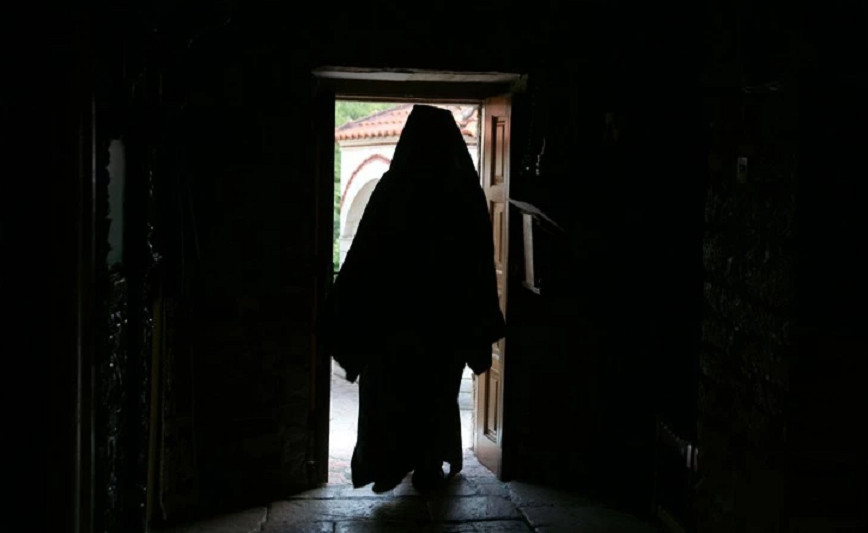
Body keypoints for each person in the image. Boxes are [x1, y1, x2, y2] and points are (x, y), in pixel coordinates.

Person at [317, 104, 506, 494]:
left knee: (390, 394)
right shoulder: (464, 194)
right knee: (436, 395)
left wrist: (346, 312)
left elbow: (365, 254)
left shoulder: (393, 189)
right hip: (445, 324)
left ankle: (389, 464)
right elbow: (478, 262)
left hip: (393, 322)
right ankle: (426, 466)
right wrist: (477, 319)